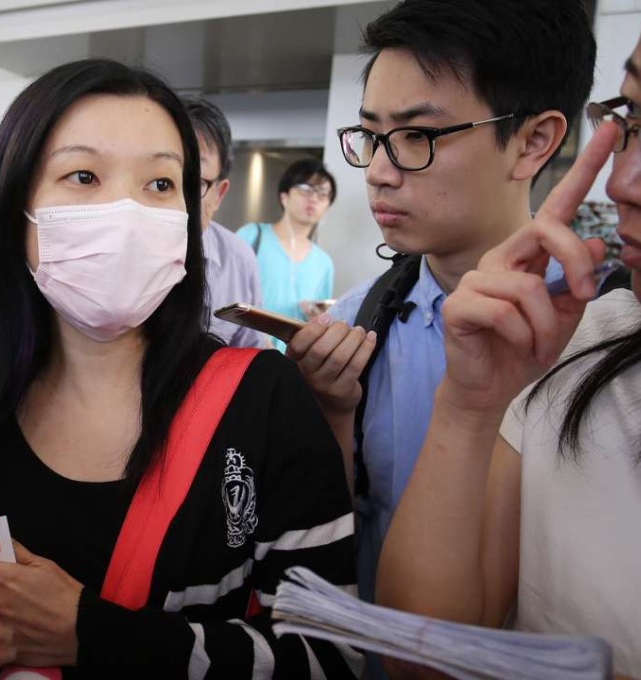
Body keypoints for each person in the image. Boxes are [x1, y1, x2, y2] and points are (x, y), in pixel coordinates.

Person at [0, 58, 359, 679]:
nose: (127, 214)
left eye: (161, 184)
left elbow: (331, 658)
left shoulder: (265, 402)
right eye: (83, 176)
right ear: (14, 208)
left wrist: (92, 635)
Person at [285, 0, 596, 615]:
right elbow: (322, 545)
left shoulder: (600, 338)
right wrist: (330, 417)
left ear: (534, 141)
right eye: (372, 136)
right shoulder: (353, 324)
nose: (377, 172)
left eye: (416, 137)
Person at [377, 46, 641, 677]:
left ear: (533, 144)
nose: (622, 182)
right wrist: (467, 407)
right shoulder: (576, 345)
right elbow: (419, 659)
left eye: (417, 135)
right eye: (633, 117)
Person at [182, 97, 266, 348]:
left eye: (194, 183)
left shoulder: (237, 259)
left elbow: (248, 351)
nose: (177, 198)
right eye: (162, 182)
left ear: (219, 194)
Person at [238, 157, 336, 351]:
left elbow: (319, 323)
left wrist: (315, 318)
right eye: (306, 189)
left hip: (290, 363)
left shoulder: (324, 263)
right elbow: (225, 293)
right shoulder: (251, 235)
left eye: (323, 194)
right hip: (244, 352)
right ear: (284, 196)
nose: (314, 198)